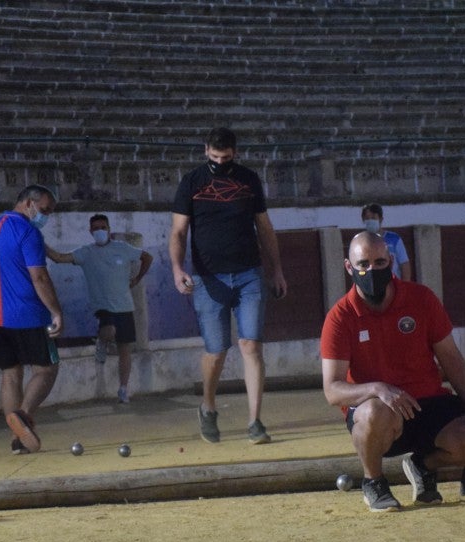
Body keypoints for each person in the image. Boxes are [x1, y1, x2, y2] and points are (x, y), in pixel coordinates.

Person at [320, 231, 465, 511]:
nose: (371, 270)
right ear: (349, 267)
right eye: (363, 264)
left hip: (429, 402)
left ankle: (423, 466)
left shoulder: (421, 299)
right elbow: (332, 390)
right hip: (381, 415)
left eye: (379, 262)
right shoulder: (339, 317)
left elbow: (453, 361)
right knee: (374, 411)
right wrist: (378, 389)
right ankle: (374, 482)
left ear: (390, 261)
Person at [170, 127, 288, 445]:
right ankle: (208, 407)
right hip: (209, 277)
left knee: (251, 345)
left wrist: (276, 270)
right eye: (215, 156)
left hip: (249, 273)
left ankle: (255, 421)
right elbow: (178, 231)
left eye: (225, 157)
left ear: (235, 152)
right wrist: (177, 268)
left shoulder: (248, 179)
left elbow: (264, 227)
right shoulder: (192, 182)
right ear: (206, 150)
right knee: (217, 351)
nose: (220, 162)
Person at [0, 185, 64, 454]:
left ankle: (18, 439)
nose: (46, 216)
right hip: (29, 315)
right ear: (28, 203)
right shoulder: (28, 232)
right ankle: (23, 417)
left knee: (11, 374)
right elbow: (39, 277)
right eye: (44, 210)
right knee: (46, 370)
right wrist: (56, 311)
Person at [45, 214, 154, 404]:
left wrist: (137, 278)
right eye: (96, 228)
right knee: (109, 330)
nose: (100, 231)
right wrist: (40, 242)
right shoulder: (86, 252)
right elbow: (58, 258)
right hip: (103, 306)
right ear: (90, 232)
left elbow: (147, 257)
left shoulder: (123, 248)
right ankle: (101, 342)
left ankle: (123, 389)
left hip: (125, 306)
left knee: (125, 349)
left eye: (103, 227)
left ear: (109, 229)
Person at [361, 203, 412, 281]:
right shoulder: (361, 241)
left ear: (381, 219)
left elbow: (404, 265)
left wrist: (405, 286)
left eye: (373, 218)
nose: (370, 220)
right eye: (367, 218)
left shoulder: (394, 239)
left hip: (394, 284)